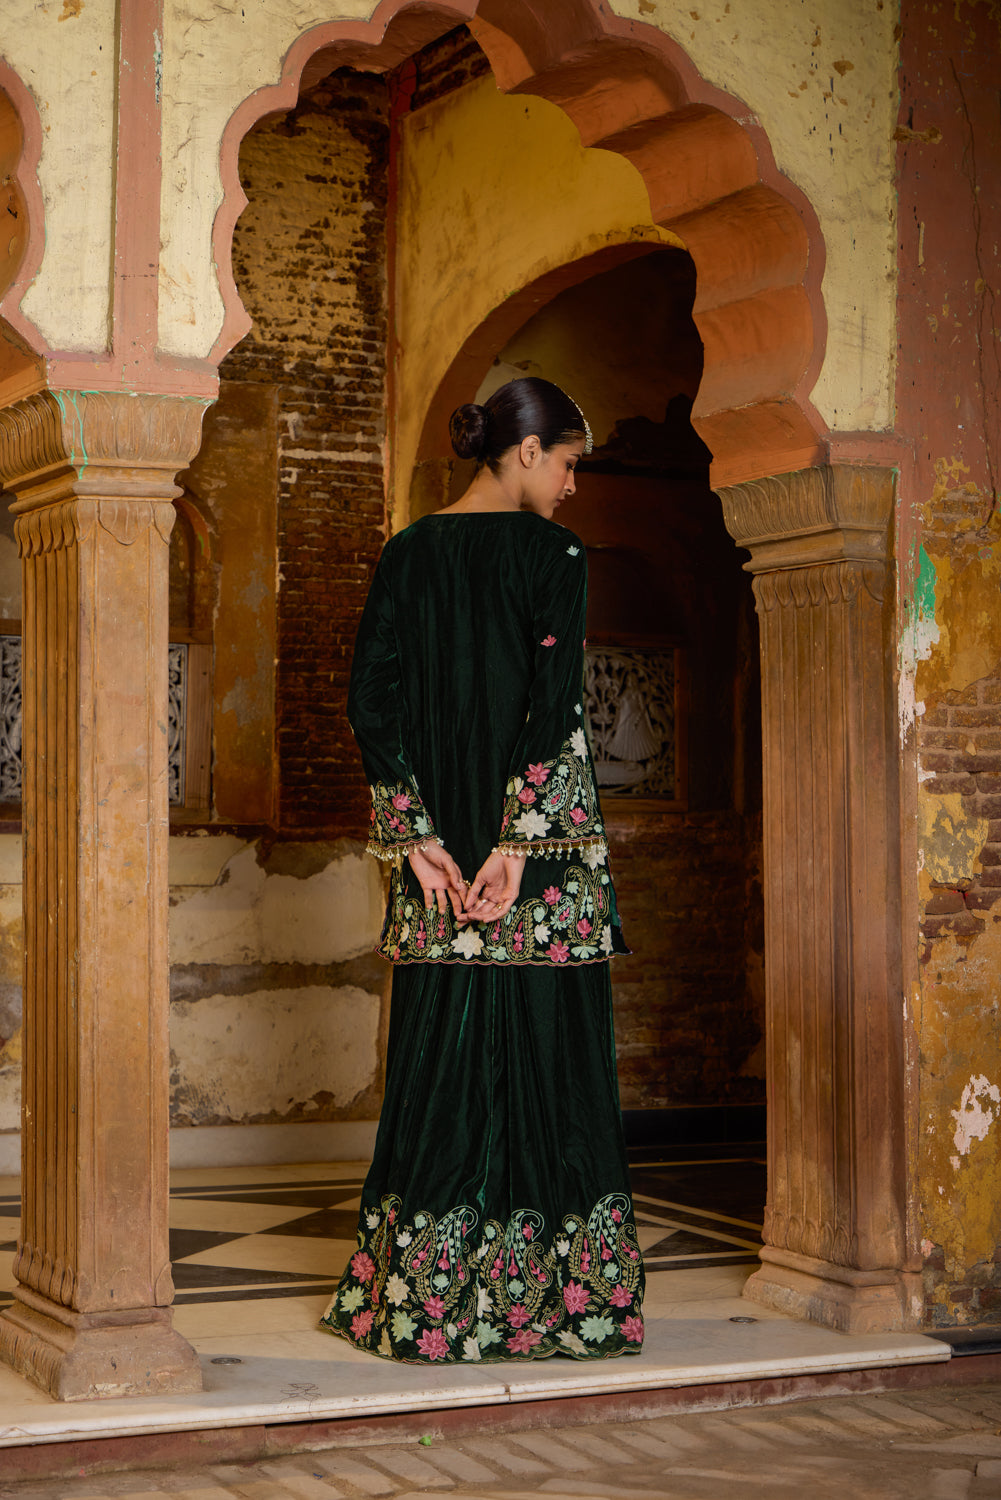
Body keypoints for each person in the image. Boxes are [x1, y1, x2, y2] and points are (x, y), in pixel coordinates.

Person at [320, 377, 644, 1364]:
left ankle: (411, 1309)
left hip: (434, 860)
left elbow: (368, 699)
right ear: (527, 449)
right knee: (548, 1056)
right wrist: (515, 848)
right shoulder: (551, 557)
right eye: (569, 463)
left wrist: (416, 836)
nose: (573, 486)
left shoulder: (407, 555)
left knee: (443, 1056)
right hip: (530, 859)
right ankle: (554, 1308)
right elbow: (554, 706)